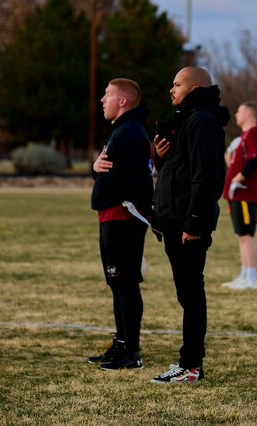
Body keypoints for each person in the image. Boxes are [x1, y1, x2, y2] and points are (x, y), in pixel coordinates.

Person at [149, 67, 229, 384]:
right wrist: (161, 159)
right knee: (186, 294)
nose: (171, 89)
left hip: (188, 223)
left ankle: (191, 365)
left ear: (194, 87)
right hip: (175, 220)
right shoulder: (188, 120)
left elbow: (206, 176)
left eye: (177, 84)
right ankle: (188, 362)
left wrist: (195, 221)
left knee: (192, 294)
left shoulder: (202, 121)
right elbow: (181, 173)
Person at [86, 78, 153, 370]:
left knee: (125, 283)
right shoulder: (121, 131)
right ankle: (122, 343)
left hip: (123, 218)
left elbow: (138, 181)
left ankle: (131, 351)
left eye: (108, 94)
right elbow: (112, 172)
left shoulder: (131, 132)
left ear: (123, 101)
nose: (103, 99)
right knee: (117, 283)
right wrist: (96, 170)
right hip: (111, 215)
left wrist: (130, 203)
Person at [221, 101, 257, 290]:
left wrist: (236, 180)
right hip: (236, 194)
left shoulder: (254, 133)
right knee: (241, 235)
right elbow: (238, 163)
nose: (236, 114)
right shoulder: (245, 136)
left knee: (246, 235)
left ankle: (251, 277)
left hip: (244, 193)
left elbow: (254, 161)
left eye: (239, 111)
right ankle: (244, 275)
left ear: (248, 113)